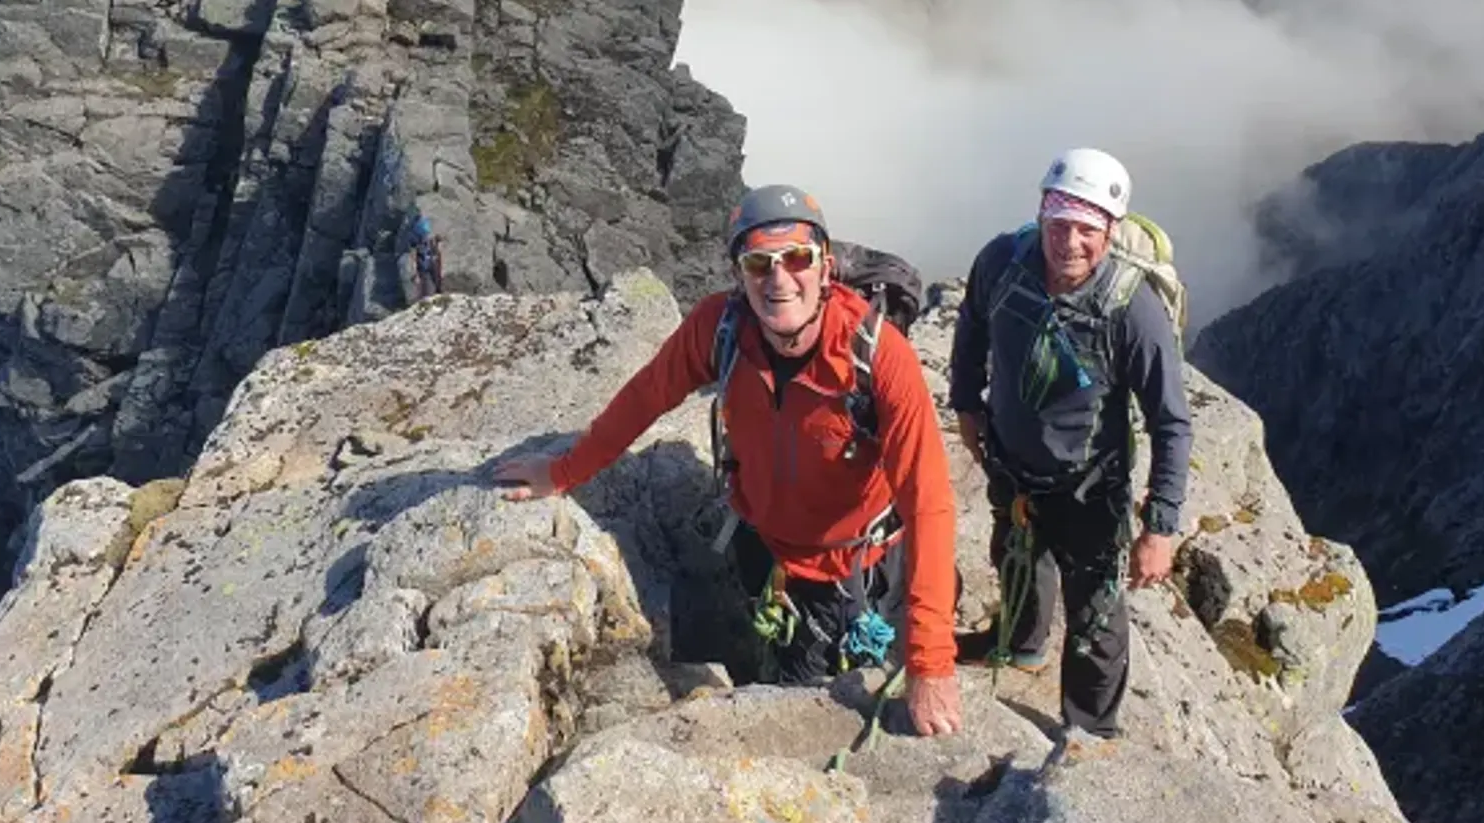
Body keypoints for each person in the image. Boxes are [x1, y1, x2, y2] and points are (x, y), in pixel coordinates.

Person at [494, 185, 964, 736]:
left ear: (826, 268)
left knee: (835, 716)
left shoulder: (879, 358)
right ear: (739, 274)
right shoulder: (720, 328)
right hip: (766, 557)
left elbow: (928, 503)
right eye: (758, 264)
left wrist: (931, 663)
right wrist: (564, 470)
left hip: (855, 571)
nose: (779, 279)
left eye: (796, 259)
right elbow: (647, 397)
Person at [948, 147, 1191, 740]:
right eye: (1059, 224)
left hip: (1090, 487)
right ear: (1041, 214)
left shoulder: (1133, 310)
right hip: (1012, 462)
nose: (1070, 242)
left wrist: (1159, 526)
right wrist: (966, 404)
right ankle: (1022, 644)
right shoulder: (1003, 261)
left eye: (1087, 229)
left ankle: (1089, 732)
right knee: (1017, 552)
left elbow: (1171, 422)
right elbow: (974, 321)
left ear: (1110, 231)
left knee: (1096, 615)